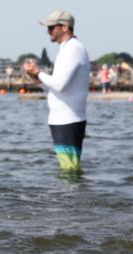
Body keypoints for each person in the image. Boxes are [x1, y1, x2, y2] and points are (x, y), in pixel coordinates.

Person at [24, 10, 91, 172]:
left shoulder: (73, 49)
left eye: (51, 27)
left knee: (70, 170)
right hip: (62, 119)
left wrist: (38, 72)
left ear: (65, 27)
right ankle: (71, 196)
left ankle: (73, 197)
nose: (48, 31)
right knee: (68, 169)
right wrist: (36, 78)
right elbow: (55, 87)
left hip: (68, 120)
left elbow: (60, 85)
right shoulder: (67, 48)